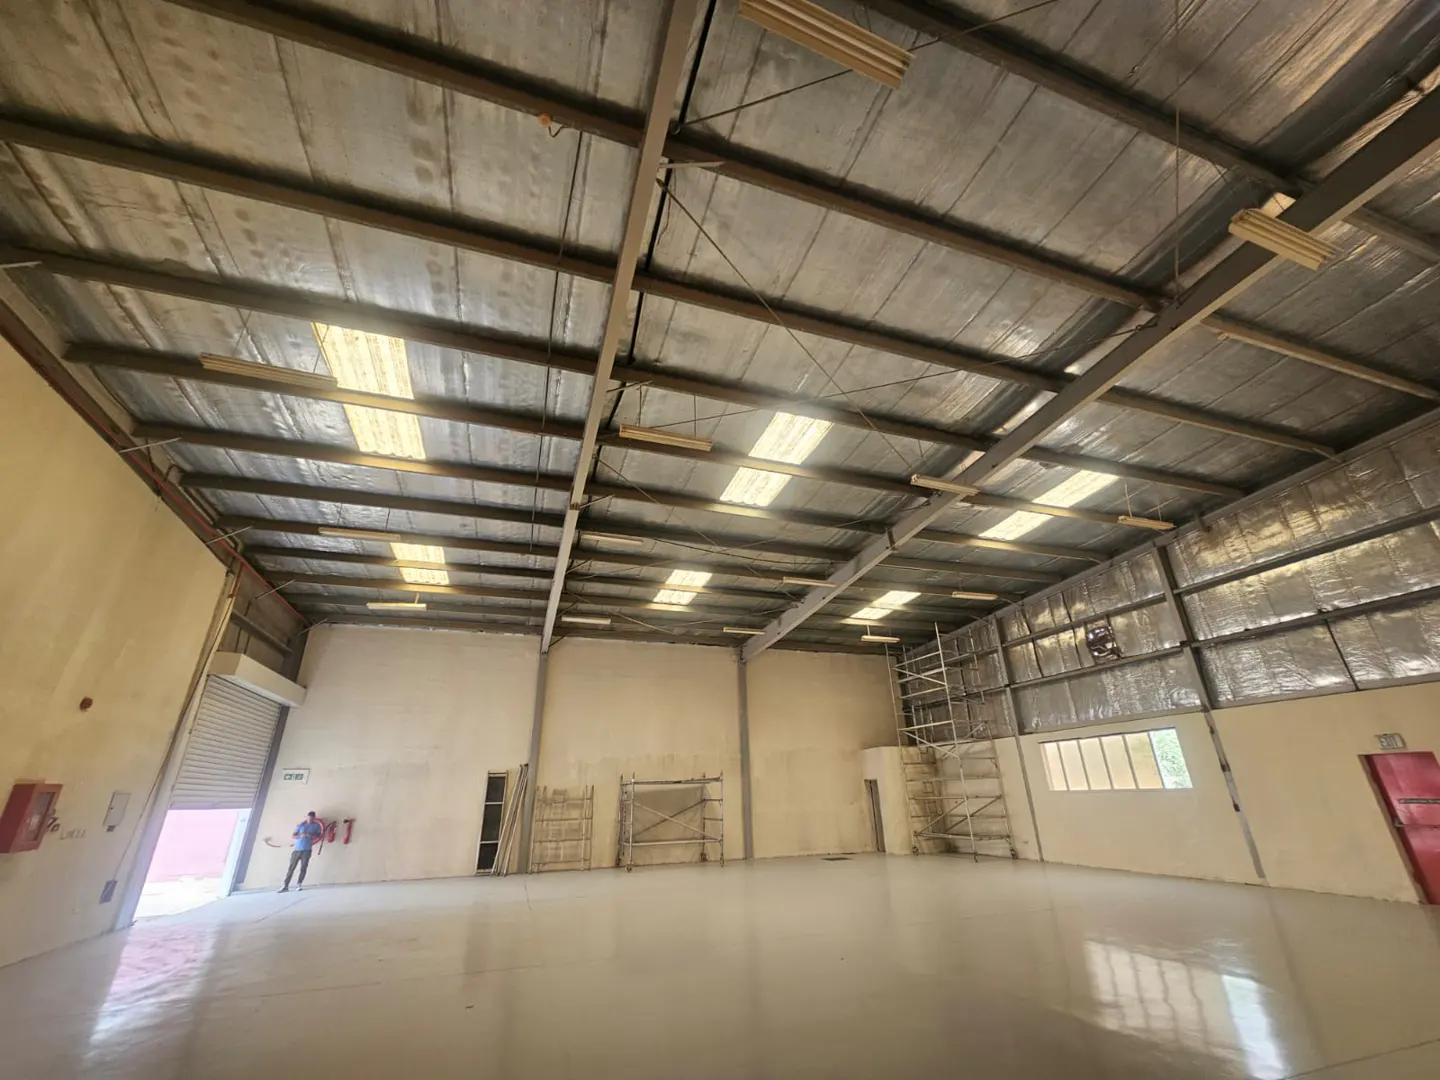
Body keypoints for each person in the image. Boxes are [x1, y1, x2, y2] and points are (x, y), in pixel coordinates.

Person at [280, 811, 323, 892]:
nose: (310, 820)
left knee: (303, 868)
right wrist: (300, 836)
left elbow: (319, 835)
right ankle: (285, 885)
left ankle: (299, 884)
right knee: (291, 868)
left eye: (311, 818)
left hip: (307, 850)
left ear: (314, 818)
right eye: (308, 818)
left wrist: (311, 836)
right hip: (297, 850)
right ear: (306, 817)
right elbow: (293, 835)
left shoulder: (316, 826)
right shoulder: (301, 825)